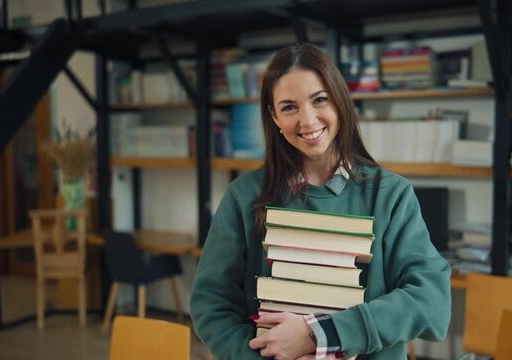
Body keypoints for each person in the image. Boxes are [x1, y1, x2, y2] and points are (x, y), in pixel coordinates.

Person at [190, 43, 451, 360]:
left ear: (340, 101)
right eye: (289, 107)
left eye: (319, 100)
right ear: (274, 116)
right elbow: (210, 303)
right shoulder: (243, 196)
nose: (308, 119)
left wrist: (319, 335)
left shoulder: (391, 195)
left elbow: (431, 302)